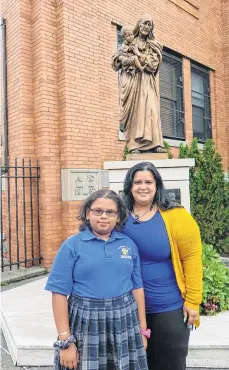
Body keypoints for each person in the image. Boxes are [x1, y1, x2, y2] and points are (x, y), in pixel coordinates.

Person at [45, 189, 149, 370]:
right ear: (87, 214)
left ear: (118, 217)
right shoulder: (72, 245)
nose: (103, 216)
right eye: (97, 211)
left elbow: (137, 289)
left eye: (110, 212)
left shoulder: (128, 245)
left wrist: (142, 330)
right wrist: (65, 340)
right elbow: (59, 293)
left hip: (124, 320)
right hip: (86, 321)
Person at [121, 162, 203, 370]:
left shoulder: (176, 215)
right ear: (129, 186)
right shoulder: (118, 216)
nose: (143, 186)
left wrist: (193, 301)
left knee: (170, 363)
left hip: (168, 307)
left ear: (157, 185)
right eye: (137, 181)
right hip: (126, 309)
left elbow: (192, 258)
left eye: (149, 182)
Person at [112, 14, 166, 153]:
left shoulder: (154, 45)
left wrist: (138, 55)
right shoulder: (130, 39)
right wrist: (123, 59)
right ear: (139, 25)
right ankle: (134, 146)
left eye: (149, 25)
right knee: (136, 112)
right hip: (132, 81)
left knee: (151, 109)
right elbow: (117, 59)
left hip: (147, 82)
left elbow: (153, 65)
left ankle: (155, 144)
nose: (146, 27)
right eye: (144, 24)